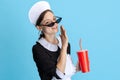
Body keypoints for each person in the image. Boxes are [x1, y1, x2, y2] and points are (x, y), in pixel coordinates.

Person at [28, 1, 80, 80]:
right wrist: (64, 46)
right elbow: (58, 75)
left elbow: (66, 72)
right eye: (48, 22)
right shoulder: (38, 49)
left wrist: (76, 68)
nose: (55, 24)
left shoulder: (65, 43)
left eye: (54, 19)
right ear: (39, 27)